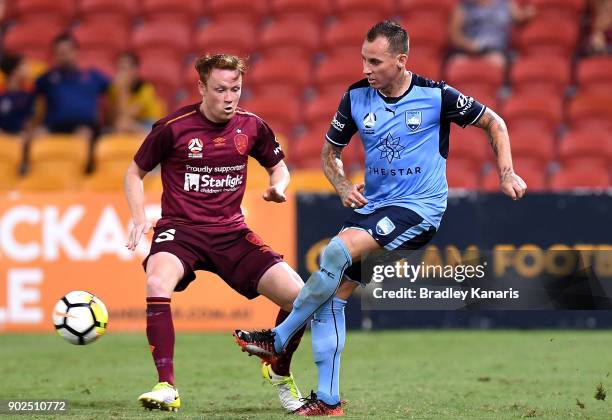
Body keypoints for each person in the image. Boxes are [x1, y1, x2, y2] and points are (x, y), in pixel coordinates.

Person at [234, 20, 527, 416]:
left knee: (336, 252)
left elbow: (495, 122)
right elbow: (328, 154)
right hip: (376, 208)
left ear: (401, 61)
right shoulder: (356, 97)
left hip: (419, 209)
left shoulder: (436, 95)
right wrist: (340, 184)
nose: (365, 69)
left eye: (375, 61)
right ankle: (328, 400)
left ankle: (279, 338)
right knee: (334, 298)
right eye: (363, 59)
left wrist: (506, 172)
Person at [124, 53, 306, 413]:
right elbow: (134, 172)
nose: (229, 97)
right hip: (181, 231)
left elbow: (279, 167)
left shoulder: (252, 126)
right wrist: (138, 215)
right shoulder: (172, 128)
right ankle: (166, 386)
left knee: (300, 297)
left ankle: (279, 368)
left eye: (235, 89)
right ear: (202, 88)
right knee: (157, 283)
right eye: (220, 89)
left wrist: (278, 186)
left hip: (230, 232)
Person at [30, 33, 109, 168]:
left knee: (83, 136)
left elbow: (115, 92)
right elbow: (28, 96)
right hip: (53, 126)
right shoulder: (47, 78)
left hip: (84, 125)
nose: (64, 56)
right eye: (59, 53)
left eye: (67, 52)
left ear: (76, 52)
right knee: (37, 135)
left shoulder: (92, 76)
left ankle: (86, 172)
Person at [449, 0, 535, 67]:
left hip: (498, 51)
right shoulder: (465, 6)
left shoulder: (505, 3)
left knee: (500, 62)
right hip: (469, 51)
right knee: (456, 64)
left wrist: (528, 13)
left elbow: (519, 17)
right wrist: (469, 46)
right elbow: (455, 35)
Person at [109, 51, 165, 133]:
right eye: (119, 69)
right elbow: (113, 119)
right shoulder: (114, 89)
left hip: (150, 124)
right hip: (126, 124)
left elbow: (128, 115)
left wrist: (123, 90)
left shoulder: (146, 89)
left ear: (135, 70)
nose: (121, 73)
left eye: (124, 69)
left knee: (123, 124)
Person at [0, 53, 34, 135]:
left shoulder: (28, 93)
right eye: (24, 65)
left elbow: (28, 122)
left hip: (19, 138)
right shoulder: (1, 93)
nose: (28, 69)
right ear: (14, 71)